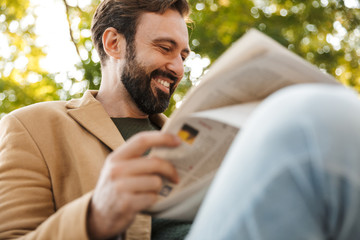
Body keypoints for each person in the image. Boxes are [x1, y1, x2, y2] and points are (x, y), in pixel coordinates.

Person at [0, 0, 192, 239]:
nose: (178, 68)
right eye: (164, 48)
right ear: (113, 44)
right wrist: (94, 218)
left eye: (183, 56)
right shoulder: (32, 128)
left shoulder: (191, 139)